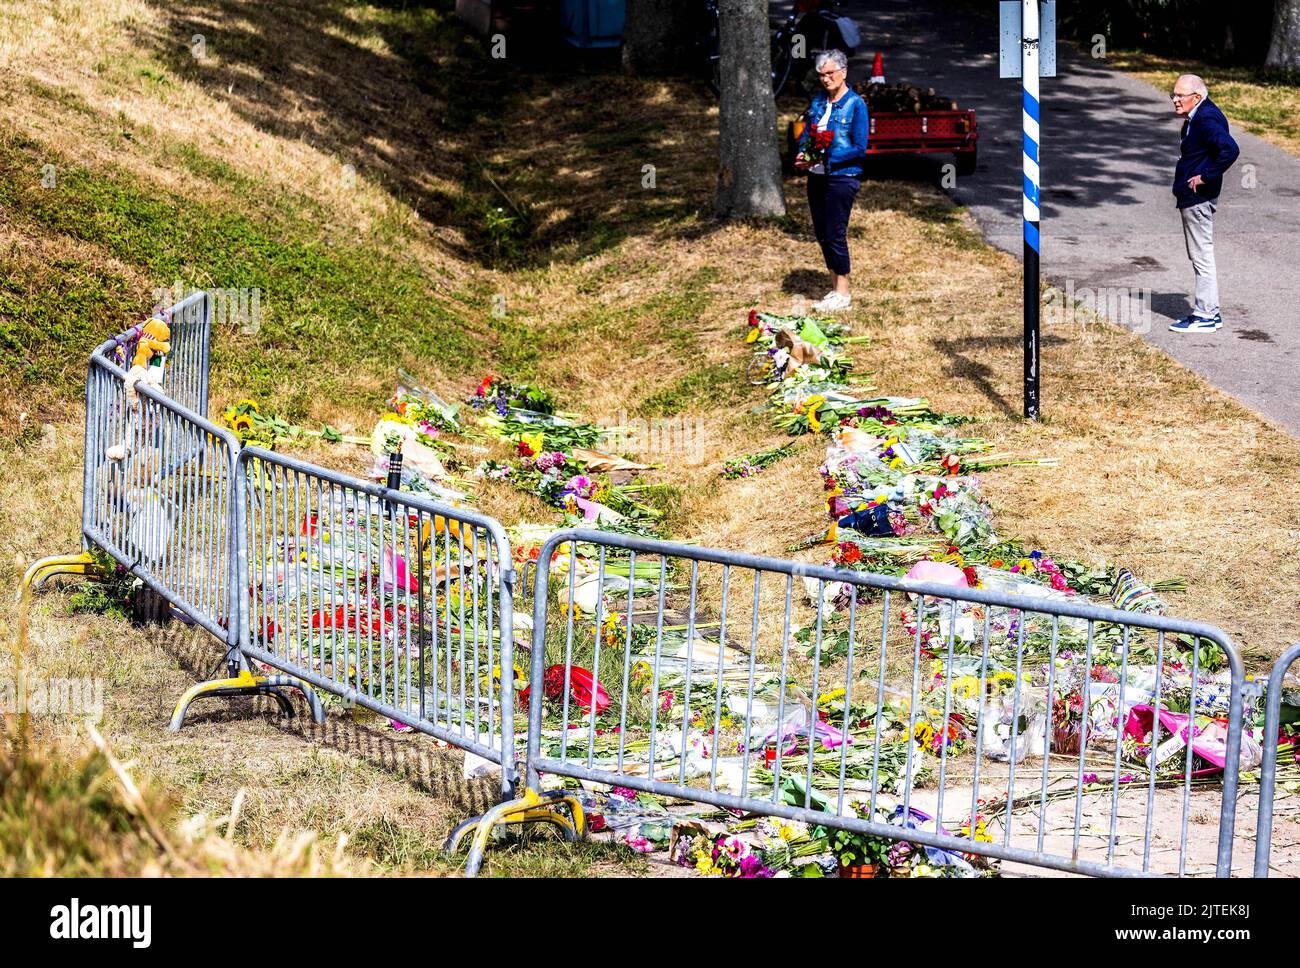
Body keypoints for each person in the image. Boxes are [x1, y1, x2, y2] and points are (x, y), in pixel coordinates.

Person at [794, 49, 868, 314]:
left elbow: (860, 147)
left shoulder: (855, 104)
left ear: (844, 72)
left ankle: (844, 292)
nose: (826, 79)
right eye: (821, 75)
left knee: (836, 233)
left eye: (830, 73)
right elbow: (807, 134)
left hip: (841, 176)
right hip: (816, 176)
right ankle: (834, 286)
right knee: (822, 233)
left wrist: (827, 157)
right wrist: (803, 154)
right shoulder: (818, 101)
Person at [1168, 73, 1239, 334]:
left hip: (1198, 197)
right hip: (1195, 196)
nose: (1175, 100)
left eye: (1179, 96)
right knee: (1201, 254)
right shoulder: (1200, 115)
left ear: (1196, 97)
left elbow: (1229, 150)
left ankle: (1205, 316)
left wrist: (1206, 175)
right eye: (1173, 95)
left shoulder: (1206, 118)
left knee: (1201, 256)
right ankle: (1210, 312)